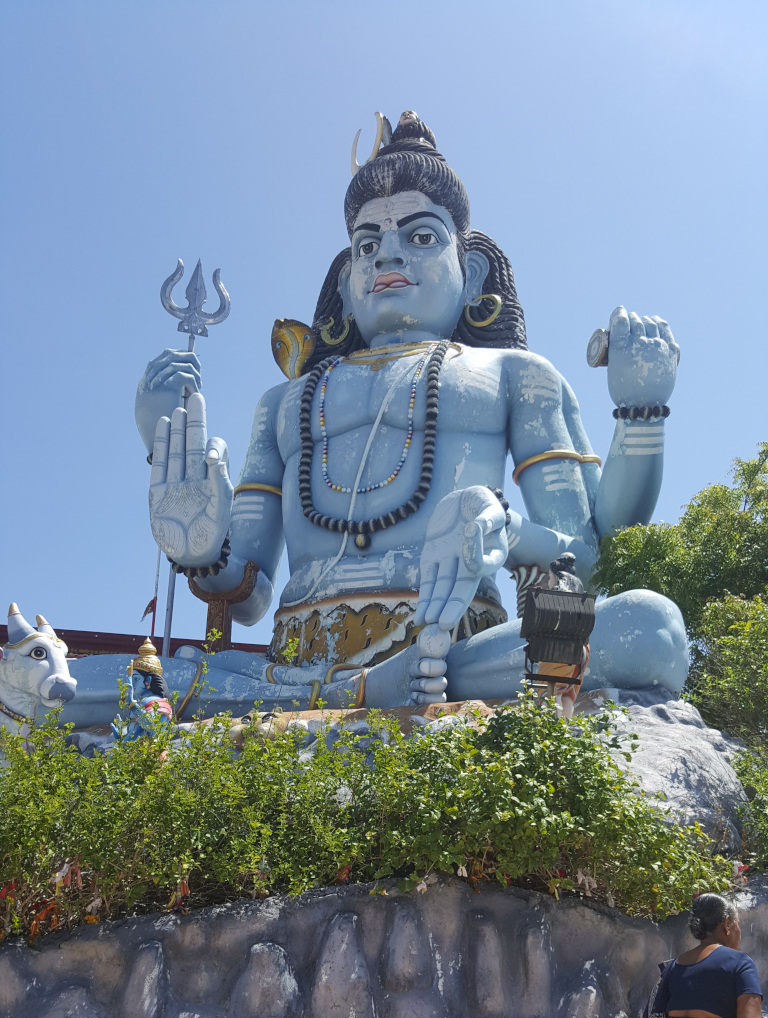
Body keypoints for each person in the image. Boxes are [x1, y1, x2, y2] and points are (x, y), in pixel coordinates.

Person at [65, 111, 687, 726]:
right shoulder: (285, 404)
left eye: (419, 236)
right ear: (348, 274)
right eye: (368, 244)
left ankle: (351, 693)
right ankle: (350, 693)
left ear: (469, 272)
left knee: (646, 629)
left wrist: (637, 416)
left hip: (449, 646)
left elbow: (585, 558)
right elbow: (248, 596)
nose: (387, 253)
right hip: (293, 658)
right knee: (80, 682)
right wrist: (199, 548)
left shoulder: (515, 375)